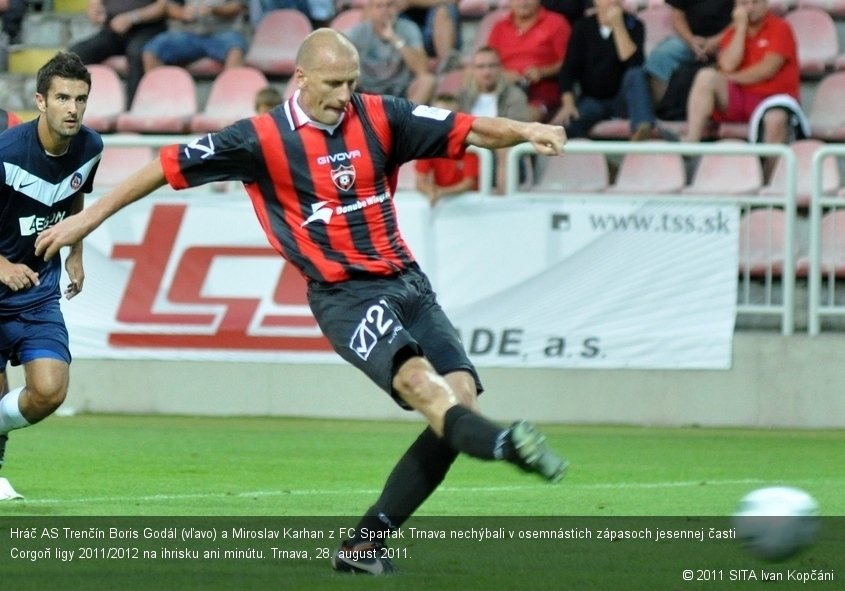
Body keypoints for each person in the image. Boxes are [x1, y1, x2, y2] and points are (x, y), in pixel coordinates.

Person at [35, 28, 568, 573]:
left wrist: (526, 129)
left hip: (410, 285)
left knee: (459, 403)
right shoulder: (260, 139)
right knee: (422, 388)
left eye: (351, 83)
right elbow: (164, 166)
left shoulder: (384, 115)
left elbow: (471, 128)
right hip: (346, 296)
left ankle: (364, 547)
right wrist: (88, 217)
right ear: (302, 78)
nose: (344, 95)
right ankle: (507, 444)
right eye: (333, 83)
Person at [0, 52, 101, 495]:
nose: (72, 108)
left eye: (80, 98)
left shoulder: (91, 147)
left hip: (38, 292)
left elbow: (74, 195)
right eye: (62, 97)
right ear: (41, 101)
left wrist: (75, 250)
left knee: (49, 391)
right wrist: (1, 265)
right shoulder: (6, 152)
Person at [682, 0, 799, 146]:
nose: (750, 8)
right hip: (740, 98)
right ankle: (690, 143)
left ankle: (773, 169)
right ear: (736, 8)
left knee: (775, 118)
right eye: (744, 4)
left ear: (766, 4)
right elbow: (727, 65)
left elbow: (766, 69)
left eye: (755, 3)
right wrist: (741, 28)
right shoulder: (734, 32)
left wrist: (731, 78)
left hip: (772, 98)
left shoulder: (781, 27)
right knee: (706, 76)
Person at [549, 0, 656, 141]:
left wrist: (618, 25)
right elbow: (568, 70)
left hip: (624, 101)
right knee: (565, 126)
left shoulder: (635, 25)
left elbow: (634, 63)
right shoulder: (583, 26)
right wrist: (568, 104)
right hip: (593, 99)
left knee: (636, 74)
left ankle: (643, 128)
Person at [457, 46, 530, 194]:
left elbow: (518, 131)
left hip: (505, 156)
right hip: (471, 153)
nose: (486, 72)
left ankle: (501, 201)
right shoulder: (462, 97)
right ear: (473, 70)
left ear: (500, 68)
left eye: (492, 66)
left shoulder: (515, 96)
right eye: (481, 67)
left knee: (504, 148)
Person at [69, 0, 168, 106]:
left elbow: (164, 6)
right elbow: (94, 6)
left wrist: (132, 17)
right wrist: (95, 12)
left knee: (136, 54)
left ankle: (135, 110)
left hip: (148, 29)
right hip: (114, 29)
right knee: (76, 54)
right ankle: (76, 107)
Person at [487, 0, 571, 122]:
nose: (523, 2)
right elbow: (487, 60)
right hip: (503, 89)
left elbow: (569, 63)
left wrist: (543, 72)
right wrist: (503, 74)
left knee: (524, 118)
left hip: (542, 92)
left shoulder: (556, 23)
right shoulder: (499, 27)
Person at [644, 0, 733, 110]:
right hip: (691, 40)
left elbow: (740, 19)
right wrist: (690, 40)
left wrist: (716, 41)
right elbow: (677, 15)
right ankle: (662, 111)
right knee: (660, 56)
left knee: (733, 59)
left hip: (727, 40)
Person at [345, 0, 436, 105]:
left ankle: (406, 119)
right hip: (366, 92)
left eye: (389, 5)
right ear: (371, 10)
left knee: (428, 80)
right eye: (379, 6)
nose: (385, 10)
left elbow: (422, 69)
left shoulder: (409, 28)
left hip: (401, 93)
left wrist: (394, 38)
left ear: (396, 8)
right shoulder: (359, 32)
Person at [141, 0, 248, 73]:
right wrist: (182, 13)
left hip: (223, 32)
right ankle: (160, 99)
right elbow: (169, 6)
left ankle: (229, 100)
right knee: (153, 49)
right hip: (189, 34)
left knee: (235, 50)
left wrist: (215, 10)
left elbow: (237, 7)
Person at [415, 94, 480, 204]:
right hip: (447, 199)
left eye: (448, 118)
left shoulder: (469, 146)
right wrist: (431, 192)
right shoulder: (428, 145)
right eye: (438, 117)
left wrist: (439, 193)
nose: (443, 123)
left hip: (472, 205)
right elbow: (420, 181)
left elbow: (469, 183)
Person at [397, 0, 462, 72]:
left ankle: (446, 68)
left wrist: (412, 2)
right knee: (385, 10)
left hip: (438, 30)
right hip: (404, 27)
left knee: (443, 10)